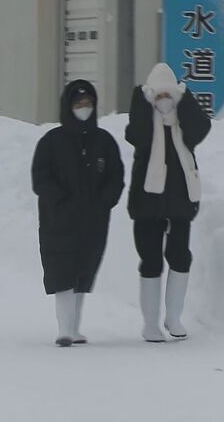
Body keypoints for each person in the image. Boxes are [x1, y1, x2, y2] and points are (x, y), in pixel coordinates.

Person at [32, 80, 125, 347]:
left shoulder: (104, 142)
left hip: (92, 221)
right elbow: (41, 178)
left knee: (83, 271)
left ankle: (74, 327)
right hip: (58, 220)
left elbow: (115, 177)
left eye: (88, 104)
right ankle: (64, 329)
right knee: (62, 270)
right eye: (78, 104)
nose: (83, 109)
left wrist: (104, 202)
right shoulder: (51, 142)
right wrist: (60, 200)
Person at [125, 63, 212, 342]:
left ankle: (173, 317)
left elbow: (202, 126)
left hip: (179, 206)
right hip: (147, 206)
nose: (164, 102)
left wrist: (184, 98)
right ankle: (150, 323)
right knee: (150, 260)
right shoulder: (144, 129)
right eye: (158, 97)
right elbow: (136, 128)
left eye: (169, 96)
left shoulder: (184, 128)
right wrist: (140, 95)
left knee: (180, 258)